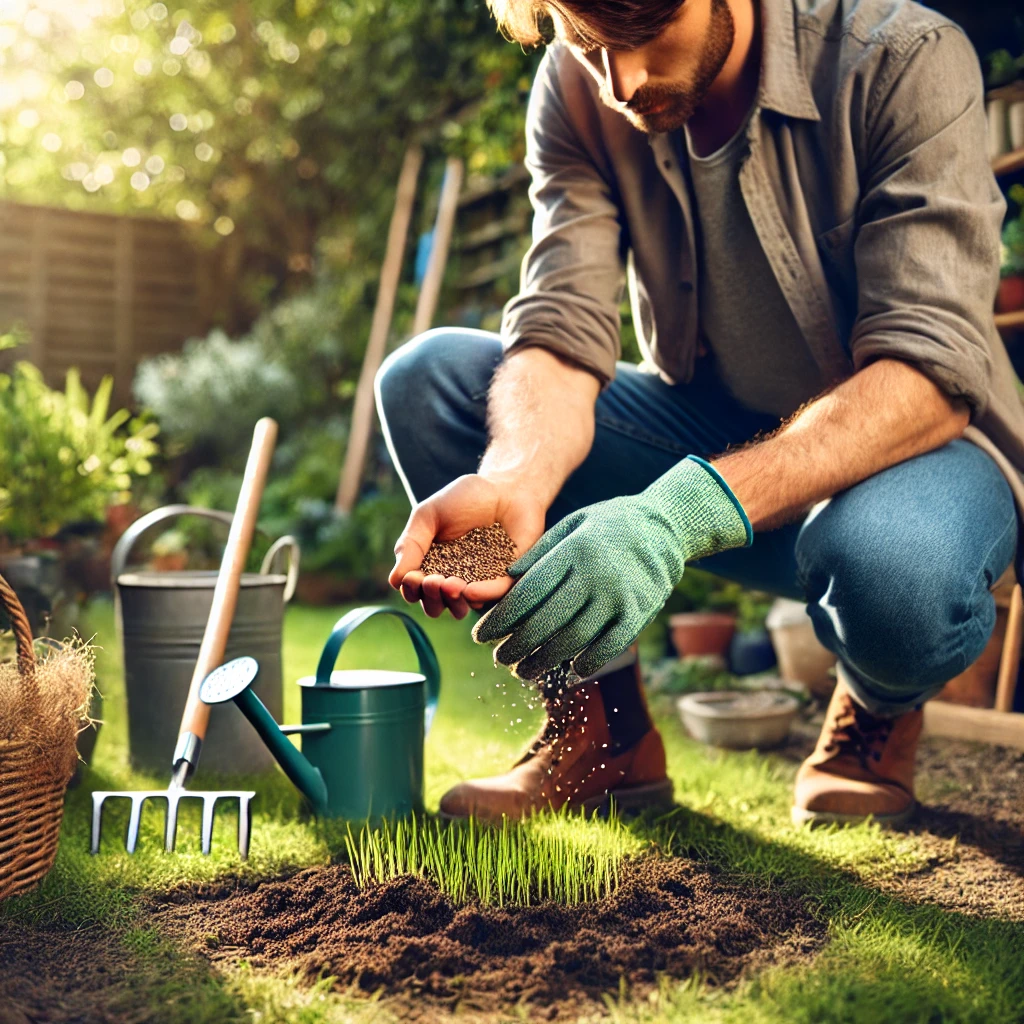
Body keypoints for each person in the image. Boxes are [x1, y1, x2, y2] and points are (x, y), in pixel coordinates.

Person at [375, 0, 1024, 827]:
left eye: (646, 37)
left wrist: (674, 518)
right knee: (430, 381)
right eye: (589, 44)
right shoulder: (578, 87)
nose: (622, 81)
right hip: (710, 434)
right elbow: (562, 323)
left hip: (914, 461)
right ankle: (600, 732)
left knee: (892, 570)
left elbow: (927, 369)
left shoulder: (900, 57)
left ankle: (877, 707)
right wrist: (516, 478)